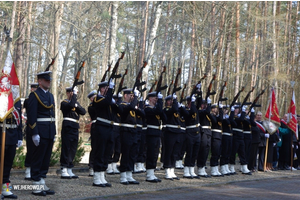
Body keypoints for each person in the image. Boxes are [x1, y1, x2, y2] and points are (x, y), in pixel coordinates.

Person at [27, 71, 56, 196]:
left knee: (45, 159)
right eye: (46, 80)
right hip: (40, 131)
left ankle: (42, 181)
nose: (48, 81)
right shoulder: (34, 95)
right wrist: (34, 133)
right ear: (40, 81)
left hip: (49, 131)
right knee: (38, 158)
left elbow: (52, 115)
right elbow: (32, 115)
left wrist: (53, 133)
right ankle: (36, 185)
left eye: (49, 80)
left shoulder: (50, 96)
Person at [92, 79, 115, 187]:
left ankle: (102, 175)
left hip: (109, 127)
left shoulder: (109, 100)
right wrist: (110, 90)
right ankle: (97, 177)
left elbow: (119, 110)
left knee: (107, 152)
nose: (108, 89)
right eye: (106, 88)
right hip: (101, 127)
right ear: (101, 89)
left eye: (108, 88)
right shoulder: (97, 98)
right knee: (100, 151)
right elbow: (105, 102)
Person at [60, 86, 86, 179]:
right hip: (68, 126)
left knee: (73, 148)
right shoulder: (64, 103)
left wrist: (76, 105)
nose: (73, 95)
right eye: (71, 93)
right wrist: (74, 98)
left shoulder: (75, 103)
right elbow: (70, 106)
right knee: (66, 147)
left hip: (75, 127)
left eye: (74, 93)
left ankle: (69, 168)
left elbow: (83, 112)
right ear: (67, 93)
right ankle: (64, 168)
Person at [118, 88, 143, 184]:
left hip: (134, 131)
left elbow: (143, 114)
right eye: (130, 95)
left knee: (133, 154)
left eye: (133, 95)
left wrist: (139, 103)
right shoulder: (122, 105)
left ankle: (129, 174)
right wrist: (136, 97)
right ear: (125, 95)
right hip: (125, 131)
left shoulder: (133, 106)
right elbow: (130, 108)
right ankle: (123, 175)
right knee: (126, 153)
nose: (132, 97)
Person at [0, 100, 22, 199]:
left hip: (13, 134)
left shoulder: (16, 100)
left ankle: (5, 188)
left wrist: (20, 136)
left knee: (8, 164)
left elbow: (19, 120)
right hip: (2, 133)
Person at [144, 92, 164, 182]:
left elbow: (164, 117)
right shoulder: (147, 108)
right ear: (150, 99)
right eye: (155, 98)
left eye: (157, 98)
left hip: (157, 133)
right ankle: (149, 174)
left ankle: (152, 173)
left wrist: (160, 103)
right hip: (150, 133)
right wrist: (160, 101)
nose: (157, 100)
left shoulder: (156, 109)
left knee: (155, 154)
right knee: (151, 154)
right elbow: (158, 111)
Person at [229, 104, 251, 175]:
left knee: (242, 152)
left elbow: (249, 122)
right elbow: (240, 120)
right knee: (233, 152)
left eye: (238, 108)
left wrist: (248, 113)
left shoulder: (241, 116)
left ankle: (244, 167)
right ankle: (231, 167)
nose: (237, 110)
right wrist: (243, 112)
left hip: (241, 136)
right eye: (236, 108)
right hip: (235, 136)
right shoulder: (234, 117)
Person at [163, 94, 181, 180]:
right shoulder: (166, 109)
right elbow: (174, 109)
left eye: (172, 100)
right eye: (169, 100)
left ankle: (172, 170)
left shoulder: (176, 109)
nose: (171, 102)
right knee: (169, 152)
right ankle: (167, 170)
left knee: (175, 153)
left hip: (177, 132)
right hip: (169, 132)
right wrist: (175, 101)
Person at [183, 94, 200, 179]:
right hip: (189, 132)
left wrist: (198, 92)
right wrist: (192, 103)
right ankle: (186, 170)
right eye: (191, 101)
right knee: (189, 152)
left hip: (197, 132)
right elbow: (192, 112)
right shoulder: (185, 109)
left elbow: (199, 104)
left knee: (195, 153)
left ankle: (192, 170)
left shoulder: (195, 107)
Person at [24, 83, 39, 180]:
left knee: (38, 151)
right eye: (34, 89)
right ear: (31, 89)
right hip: (31, 127)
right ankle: (28, 169)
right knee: (30, 150)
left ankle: (35, 170)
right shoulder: (28, 100)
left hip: (40, 127)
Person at [196, 97, 213, 177]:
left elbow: (214, 120)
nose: (205, 106)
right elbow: (206, 111)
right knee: (202, 151)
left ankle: (202, 168)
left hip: (208, 132)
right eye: (204, 104)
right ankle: (200, 168)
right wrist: (209, 105)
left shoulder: (207, 113)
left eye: (206, 104)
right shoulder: (200, 112)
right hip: (203, 132)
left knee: (206, 151)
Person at [107, 93, 122, 175]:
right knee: (111, 148)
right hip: (112, 127)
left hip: (119, 128)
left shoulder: (119, 106)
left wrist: (119, 100)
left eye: (118, 99)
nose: (116, 100)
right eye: (115, 99)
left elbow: (120, 108)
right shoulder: (112, 106)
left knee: (118, 149)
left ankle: (114, 164)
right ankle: (109, 165)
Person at [220, 105, 236, 175]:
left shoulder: (228, 118)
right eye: (224, 109)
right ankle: (223, 167)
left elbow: (233, 123)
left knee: (228, 152)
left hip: (230, 136)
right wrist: (232, 112)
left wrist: (231, 113)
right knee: (224, 152)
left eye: (227, 109)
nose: (226, 110)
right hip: (225, 135)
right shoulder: (222, 118)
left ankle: (226, 166)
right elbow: (228, 122)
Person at [210, 103, 223, 177]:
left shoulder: (218, 116)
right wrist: (221, 110)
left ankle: (215, 168)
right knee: (214, 153)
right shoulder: (212, 115)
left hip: (219, 136)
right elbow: (217, 120)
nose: (216, 109)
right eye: (215, 108)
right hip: (215, 135)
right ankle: (213, 169)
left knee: (218, 154)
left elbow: (221, 119)